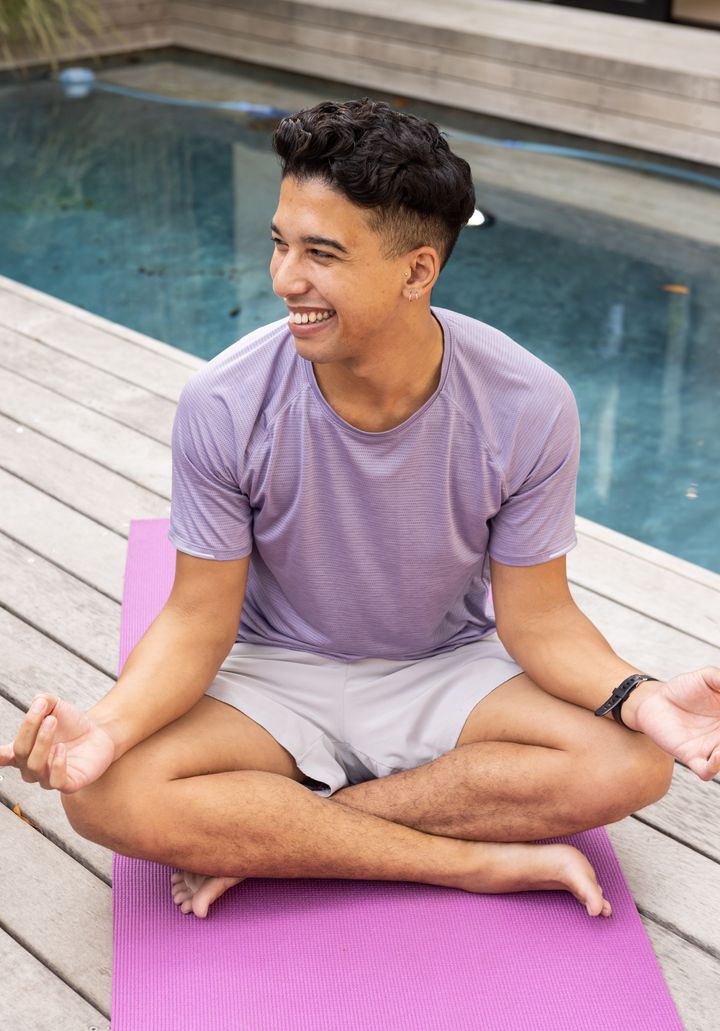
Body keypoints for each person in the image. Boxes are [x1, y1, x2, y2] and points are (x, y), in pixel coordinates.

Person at [2, 99, 719, 922]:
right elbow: (199, 619)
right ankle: (466, 865)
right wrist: (109, 727)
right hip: (279, 675)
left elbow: (542, 621)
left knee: (632, 766)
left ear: (417, 270)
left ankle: (290, 841)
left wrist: (638, 695)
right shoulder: (224, 402)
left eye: (322, 253)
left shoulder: (528, 402)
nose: (283, 279)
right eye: (279, 242)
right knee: (103, 795)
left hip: (444, 669)